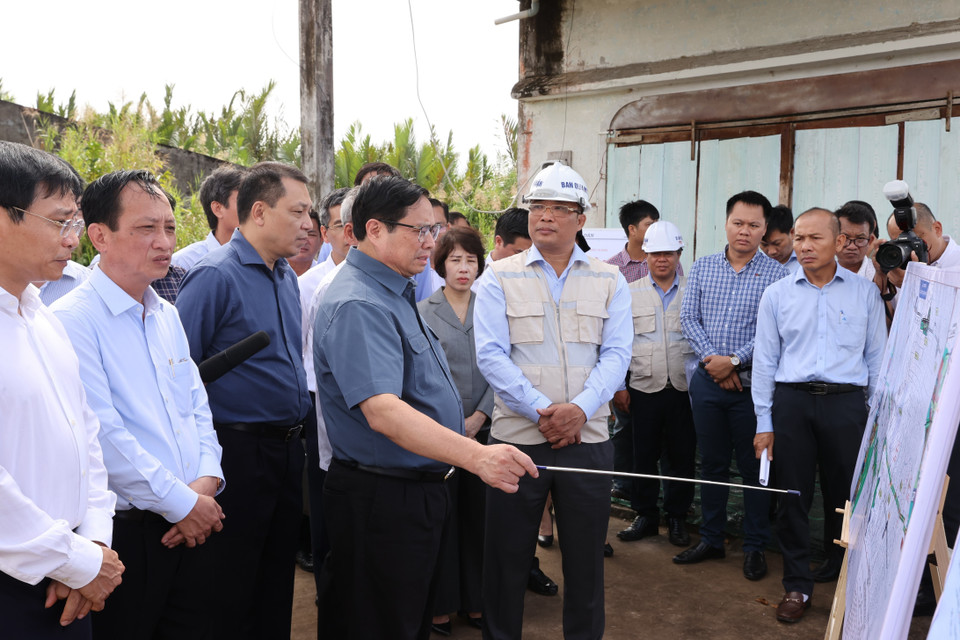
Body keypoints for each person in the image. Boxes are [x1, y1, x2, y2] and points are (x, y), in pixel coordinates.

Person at [313, 175, 537, 639]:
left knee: (406, 618)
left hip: (411, 493)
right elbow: (384, 412)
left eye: (432, 230)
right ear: (375, 230)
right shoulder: (359, 301)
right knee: (378, 622)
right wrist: (477, 456)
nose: (430, 242)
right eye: (419, 231)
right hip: (381, 499)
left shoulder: (393, 290)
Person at [52, 170, 226, 638]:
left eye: (169, 228)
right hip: (128, 535)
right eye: (146, 228)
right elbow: (105, 437)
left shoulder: (166, 313)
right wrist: (182, 503)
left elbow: (196, 405)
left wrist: (204, 485)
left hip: (193, 519)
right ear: (99, 236)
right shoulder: (71, 320)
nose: (163, 241)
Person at [475, 161, 632, 639]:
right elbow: (491, 355)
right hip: (518, 440)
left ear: (580, 219)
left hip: (588, 441)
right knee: (506, 559)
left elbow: (617, 354)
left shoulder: (609, 280)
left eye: (559, 208)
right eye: (537, 206)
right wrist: (545, 412)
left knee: (585, 561)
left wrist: (579, 411)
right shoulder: (498, 277)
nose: (545, 216)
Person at [176, 161, 313, 640]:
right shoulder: (214, 276)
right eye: (297, 212)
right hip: (234, 453)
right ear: (258, 211)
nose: (308, 225)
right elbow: (180, 379)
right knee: (227, 585)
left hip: (285, 451)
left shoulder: (285, 277)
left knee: (275, 580)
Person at [0, 141, 124, 638]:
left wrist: (93, 546)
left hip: (71, 578)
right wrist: (74, 560)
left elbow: (86, 436)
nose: (75, 239)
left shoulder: (43, 317)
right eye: (60, 221)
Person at [752, 208, 885, 623]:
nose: (804, 246)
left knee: (847, 497)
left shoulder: (864, 294)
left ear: (838, 242)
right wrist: (764, 422)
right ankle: (796, 585)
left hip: (847, 405)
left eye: (815, 238)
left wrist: (878, 418)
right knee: (792, 497)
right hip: (791, 404)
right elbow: (765, 362)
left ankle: (851, 584)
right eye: (799, 238)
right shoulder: (777, 295)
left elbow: (878, 359)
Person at [677, 190, 788, 580]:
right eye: (738, 223)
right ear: (726, 223)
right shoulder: (704, 267)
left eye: (754, 225)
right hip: (708, 383)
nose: (745, 231)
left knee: (754, 466)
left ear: (764, 229)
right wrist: (715, 363)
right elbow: (689, 319)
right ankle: (711, 538)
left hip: (753, 389)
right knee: (712, 463)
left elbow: (774, 333)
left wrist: (735, 362)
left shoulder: (778, 275)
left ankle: (755, 546)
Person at [418, 227, 494, 634]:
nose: (463, 268)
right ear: (440, 264)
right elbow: (421, 376)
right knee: (443, 519)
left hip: (486, 431)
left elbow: (502, 370)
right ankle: (441, 604)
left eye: (470, 260)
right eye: (455, 260)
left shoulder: (492, 308)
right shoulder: (422, 310)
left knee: (480, 519)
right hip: (440, 435)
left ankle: (477, 601)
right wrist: (451, 423)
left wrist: (480, 417)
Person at [615, 221, 696, 548]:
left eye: (668, 253)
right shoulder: (628, 292)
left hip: (683, 389)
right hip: (642, 389)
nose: (662, 259)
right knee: (642, 455)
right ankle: (645, 514)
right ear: (645, 255)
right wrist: (620, 386)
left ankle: (677, 517)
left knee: (682, 456)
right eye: (655, 253)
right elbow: (618, 343)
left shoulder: (694, 289)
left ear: (679, 254)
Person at [606, 200, 669, 508]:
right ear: (631, 230)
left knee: (658, 435)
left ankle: (656, 496)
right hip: (624, 362)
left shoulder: (666, 262)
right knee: (624, 426)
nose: (654, 230)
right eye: (648, 224)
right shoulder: (611, 269)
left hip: (660, 363)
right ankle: (623, 484)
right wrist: (617, 383)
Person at [171, 166, 244, 271]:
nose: (253, 209)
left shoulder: (264, 259)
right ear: (217, 209)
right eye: (243, 201)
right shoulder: (185, 263)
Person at [835, 201, 878, 281]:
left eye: (860, 239)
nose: (852, 247)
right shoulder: (817, 276)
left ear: (870, 241)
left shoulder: (881, 276)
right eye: (845, 238)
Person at [761, 205, 798, 272]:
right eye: (764, 245)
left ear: (792, 233)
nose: (771, 252)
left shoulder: (807, 263)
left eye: (777, 243)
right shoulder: (757, 264)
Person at [288, 208, 323, 277]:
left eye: (311, 234)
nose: (303, 240)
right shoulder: (269, 272)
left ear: (321, 240)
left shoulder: (327, 278)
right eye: (296, 233)